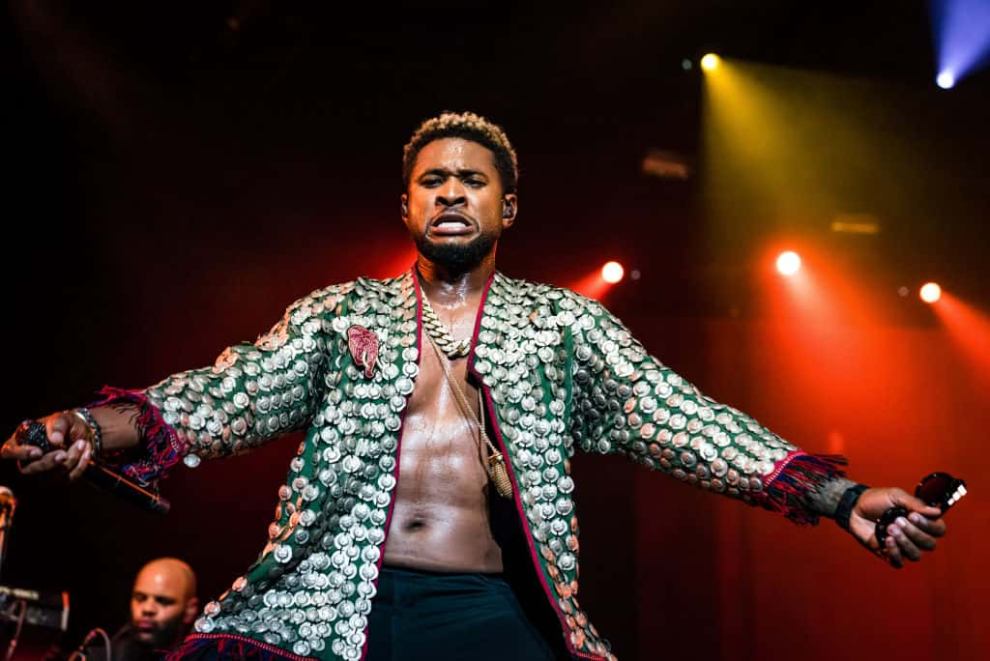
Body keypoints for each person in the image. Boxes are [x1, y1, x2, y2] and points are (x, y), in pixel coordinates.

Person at [3, 111, 947, 661]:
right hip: (333, 604)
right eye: (432, 180)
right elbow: (226, 394)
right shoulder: (341, 313)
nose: (452, 192)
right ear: (405, 204)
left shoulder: (564, 325)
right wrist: (90, 424)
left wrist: (839, 494)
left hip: (487, 610)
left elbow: (683, 418)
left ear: (509, 205)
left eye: (472, 180)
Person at [81, 557, 198, 660]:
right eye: (140, 598)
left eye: (163, 601)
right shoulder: (103, 656)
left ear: (190, 610)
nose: (147, 609)